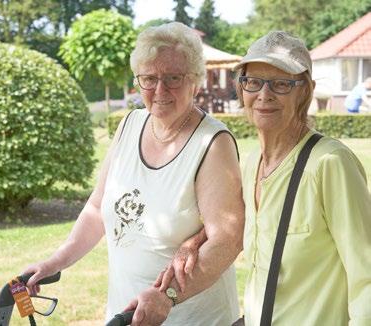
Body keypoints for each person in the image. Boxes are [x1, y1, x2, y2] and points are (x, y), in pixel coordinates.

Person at [23, 22, 244, 325]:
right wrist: (54, 263)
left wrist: (168, 297)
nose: (160, 89)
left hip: (191, 317)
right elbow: (97, 208)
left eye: (173, 78)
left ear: (195, 81)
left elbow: (228, 240)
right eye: (149, 78)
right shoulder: (130, 125)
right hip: (125, 315)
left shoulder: (212, 143)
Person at [158, 31, 371, 325]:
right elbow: (257, 224)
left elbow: (366, 275)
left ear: (305, 91)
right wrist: (193, 242)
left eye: (282, 84)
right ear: (241, 89)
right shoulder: (252, 163)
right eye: (253, 82)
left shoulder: (330, 164)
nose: (264, 94)